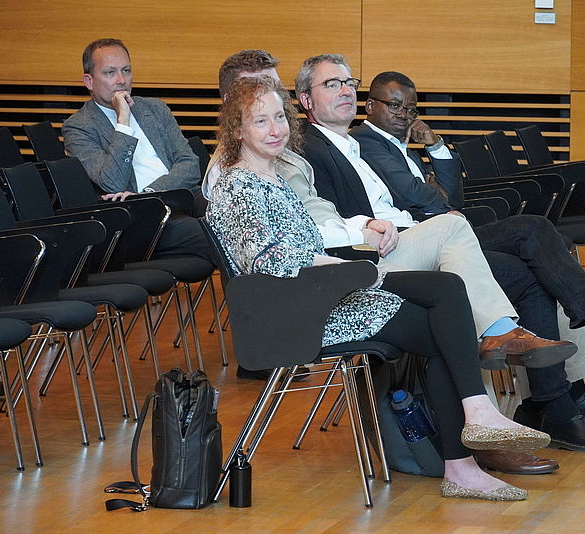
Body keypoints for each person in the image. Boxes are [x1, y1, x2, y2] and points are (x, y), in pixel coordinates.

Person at [295, 56, 585, 453]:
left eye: (348, 82)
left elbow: (450, 197)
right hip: (393, 247)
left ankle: (559, 399)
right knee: (530, 234)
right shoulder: (327, 145)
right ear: (307, 101)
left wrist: (435, 158)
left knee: (531, 259)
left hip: (429, 233)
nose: (345, 90)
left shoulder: (353, 144)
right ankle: (581, 364)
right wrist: (406, 216)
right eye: (332, 84)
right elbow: (374, 210)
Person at [206, 75, 559, 501]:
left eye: (280, 117)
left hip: (324, 292)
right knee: (445, 311)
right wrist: (349, 269)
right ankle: (468, 446)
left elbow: (304, 248)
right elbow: (273, 264)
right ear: (237, 130)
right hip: (300, 311)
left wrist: (344, 266)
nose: (275, 129)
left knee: (447, 293)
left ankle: (472, 434)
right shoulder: (238, 185)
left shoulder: (275, 177)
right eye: (260, 121)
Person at [62, 38, 211, 261]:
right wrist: (123, 121)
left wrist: (152, 193)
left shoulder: (155, 108)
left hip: (181, 196)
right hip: (143, 218)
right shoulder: (79, 127)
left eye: (126, 70)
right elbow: (112, 183)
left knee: (239, 215)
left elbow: (190, 164)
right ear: (89, 81)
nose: (121, 80)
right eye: (110, 73)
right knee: (213, 235)